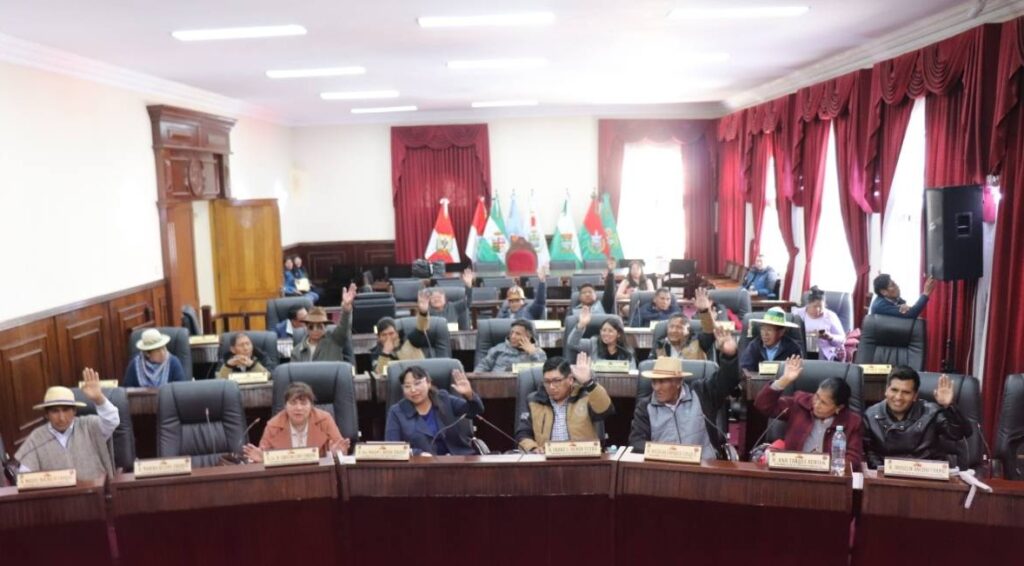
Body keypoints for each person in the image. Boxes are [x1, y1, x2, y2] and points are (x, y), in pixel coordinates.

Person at [628, 327, 740, 459]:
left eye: (662, 382)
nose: (656, 388)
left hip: (703, 467)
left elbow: (727, 380)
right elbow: (636, 444)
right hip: (664, 468)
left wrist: (729, 355)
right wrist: (668, 454)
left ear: (678, 382)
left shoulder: (701, 393)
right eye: (654, 382)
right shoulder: (645, 407)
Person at [754, 356, 864, 470]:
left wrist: (825, 465)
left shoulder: (852, 422)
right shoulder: (800, 404)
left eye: (824, 403)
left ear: (839, 407)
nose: (816, 404)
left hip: (827, 478)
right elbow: (763, 405)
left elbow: (854, 459)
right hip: (792, 472)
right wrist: (784, 380)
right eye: (816, 397)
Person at [15, 368, 119, 480]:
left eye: (66, 410)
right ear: (46, 414)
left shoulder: (89, 425)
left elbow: (112, 420)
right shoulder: (36, 438)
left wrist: (99, 399)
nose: (61, 417)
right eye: (55, 411)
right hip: (56, 496)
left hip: (95, 494)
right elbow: (24, 477)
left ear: (74, 411)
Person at [863, 367, 971, 469]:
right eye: (894, 390)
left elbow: (959, 434)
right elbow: (870, 454)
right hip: (887, 479)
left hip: (926, 477)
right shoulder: (871, 415)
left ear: (915, 396)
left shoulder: (931, 412)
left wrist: (949, 406)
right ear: (886, 390)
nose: (898, 397)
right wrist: (881, 475)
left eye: (906, 392)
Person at [515, 354, 614, 453]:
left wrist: (588, 383)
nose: (552, 387)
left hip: (582, 458)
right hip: (546, 460)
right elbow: (523, 433)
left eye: (557, 381)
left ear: (570, 380)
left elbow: (606, 411)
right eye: (547, 382)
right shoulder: (534, 400)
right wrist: (533, 449)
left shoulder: (586, 396)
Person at [385, 366, 484, 455]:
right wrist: (417, 454)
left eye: (417, 383)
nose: (413, 390)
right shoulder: (396, 412)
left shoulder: (443, 399)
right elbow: (392, 447)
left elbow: (475, 410)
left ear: (428, 383)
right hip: (422, 467)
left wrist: (469, 394)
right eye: (407, 386)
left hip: (457, 460)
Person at [243, 382, 350, 462]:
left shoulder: (324, 420)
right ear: (285, 405)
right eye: (293, 403)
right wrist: (262, 460)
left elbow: (341, 451)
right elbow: (262, 458)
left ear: (311, 406)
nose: (298, 408)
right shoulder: (273, 426)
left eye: (303, 403)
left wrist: (337, 454)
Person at [368, 291, 432, 374]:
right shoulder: (376, 353)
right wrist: (385, 353)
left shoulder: (409, 340)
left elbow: (421, 328)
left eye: (391, 333)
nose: (388, 338)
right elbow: (379, 374)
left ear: (397, 333)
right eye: (384, 335)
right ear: (379, 337)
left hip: (419, 377)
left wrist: (423, 313)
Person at [291, 284, 356, 364]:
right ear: (306, 328)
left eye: (319, 326)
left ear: (325, 327)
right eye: (311, 327)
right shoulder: (297, 351)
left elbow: (344, 326)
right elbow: (294, 374)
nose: (315, 330)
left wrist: (346, 308)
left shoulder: (335, 340)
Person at [649, 287, 716, 360]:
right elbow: (649, 365)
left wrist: (704, 311)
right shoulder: (661, 345)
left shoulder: (698, 342)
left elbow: (710, 331)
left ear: (688, 331)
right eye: (671, 327)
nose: (674, 330)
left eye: (679, 327)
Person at [739, 306, 804, 377]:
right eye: (763, 329)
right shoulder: (754, 345)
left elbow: (797, 373)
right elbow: (744, 370)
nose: (765, 334)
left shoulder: (793, 348)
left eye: (769, 330)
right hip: (758, 385)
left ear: (781, 332)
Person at [567, 306, 636, 369]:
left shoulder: (627, 350)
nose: (606, 334)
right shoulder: (593, 343)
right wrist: (581, 324)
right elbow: (572, 344)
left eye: (610, 331)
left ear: (618, 334)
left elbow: (632, 371)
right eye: (603, 330)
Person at [791, 286, 846, 361]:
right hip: (800, 351)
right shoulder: (797, 314)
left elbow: (843, 339)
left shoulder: (830, 316)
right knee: (810, 339)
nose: (818, 310)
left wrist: (830, 337)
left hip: (824, 355)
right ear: (808, 304)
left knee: (812, 341)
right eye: (815, 306)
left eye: (821, 306)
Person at [474, 320, 547, 372]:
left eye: (518, 334)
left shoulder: (539, 353)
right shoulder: (498, 349)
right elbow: (482, 367)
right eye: (511, 333)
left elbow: (542, 374)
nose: (512, 336)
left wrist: (532, 354)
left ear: (528, 336)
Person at [123, 328, 188, 387]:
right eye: (158, 351)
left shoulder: (173, 363)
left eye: (164, 348)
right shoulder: (135, 364)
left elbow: (181, 391)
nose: (163, 353)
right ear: (147, 353)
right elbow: (127, 391)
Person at [870, 273, 936, 318]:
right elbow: (911, 314)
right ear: (884, 292)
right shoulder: (880, 306)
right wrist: (925, 294)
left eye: (895, 283)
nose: (897, 286)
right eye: (892, 285)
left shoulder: (892, 298)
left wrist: (904, 306)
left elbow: (907, 309)